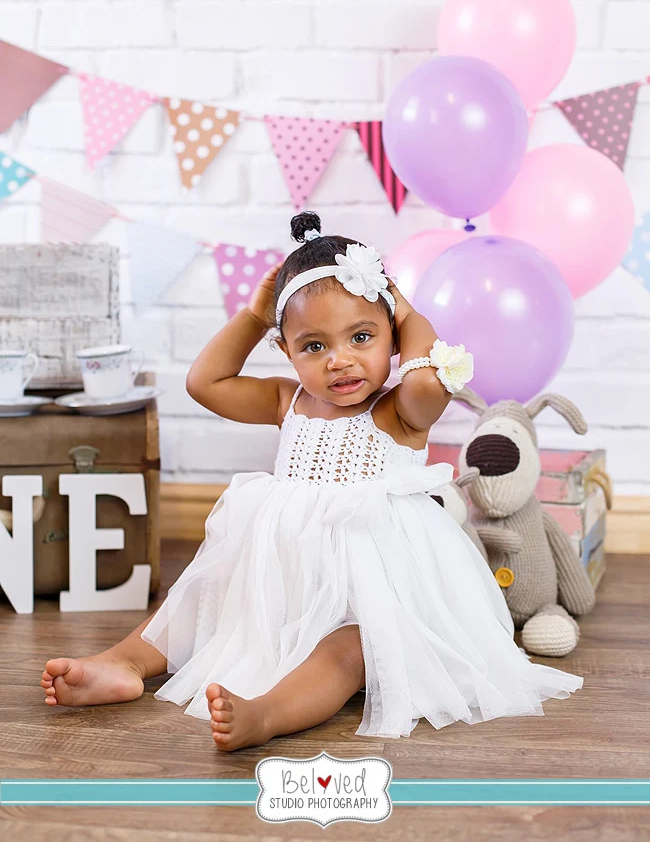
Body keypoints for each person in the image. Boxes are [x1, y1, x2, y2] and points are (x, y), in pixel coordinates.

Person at [40, 210, 584, 752]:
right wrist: (254, 316)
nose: (339, 361)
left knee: (351, 650)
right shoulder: (287, 401)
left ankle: (268, 712)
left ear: (394, 338)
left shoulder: (401, 410)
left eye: (362, 336)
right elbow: (205, 382)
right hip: (288, 579)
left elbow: (427, 380)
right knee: (202, 595)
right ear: (286, 350)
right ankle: (124, 662)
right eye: (314, 346)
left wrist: (406, 310)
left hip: (373, 592)